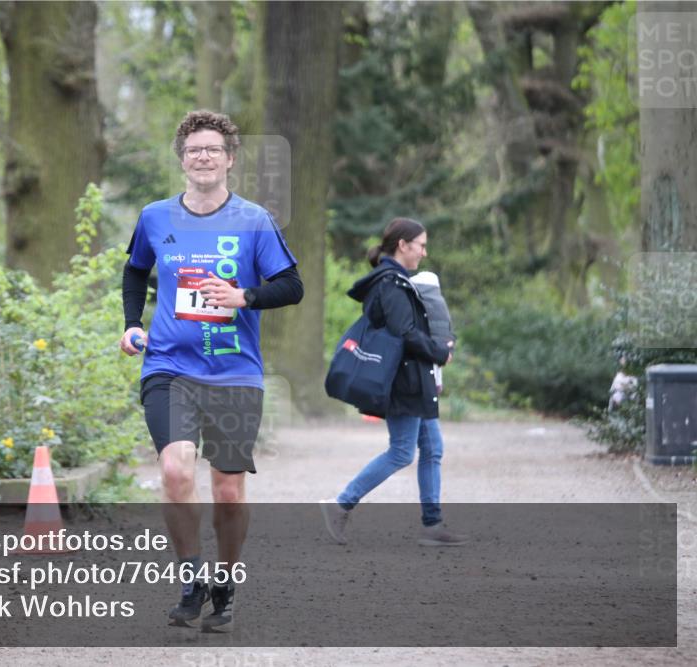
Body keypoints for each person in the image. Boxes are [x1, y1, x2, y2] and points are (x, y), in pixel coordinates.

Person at [119, 110, 303, 632]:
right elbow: (135, 271)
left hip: (234, 373)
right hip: (169, 366)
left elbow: (292, 286)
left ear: (229, 160)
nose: (203, 157)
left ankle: (224, 583)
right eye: (194, 149)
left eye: (213, 150)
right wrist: (132, 324)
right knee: (176, 471)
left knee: (227, 489)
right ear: (182, 159)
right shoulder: (156, 216)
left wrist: (243, 295)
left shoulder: (253, 220)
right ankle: (190, 577)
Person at [320, 218, 468, 547]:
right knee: (402, 452)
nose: (424, 253)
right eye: (421, 245)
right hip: (404, 380)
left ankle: (432, 525)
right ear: (403, 245)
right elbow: (406, 334)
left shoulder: (399, 281)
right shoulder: (391, 283)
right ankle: (341, 504)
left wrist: (439, 347)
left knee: (432, 449)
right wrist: (439, 353)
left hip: (416, 377)